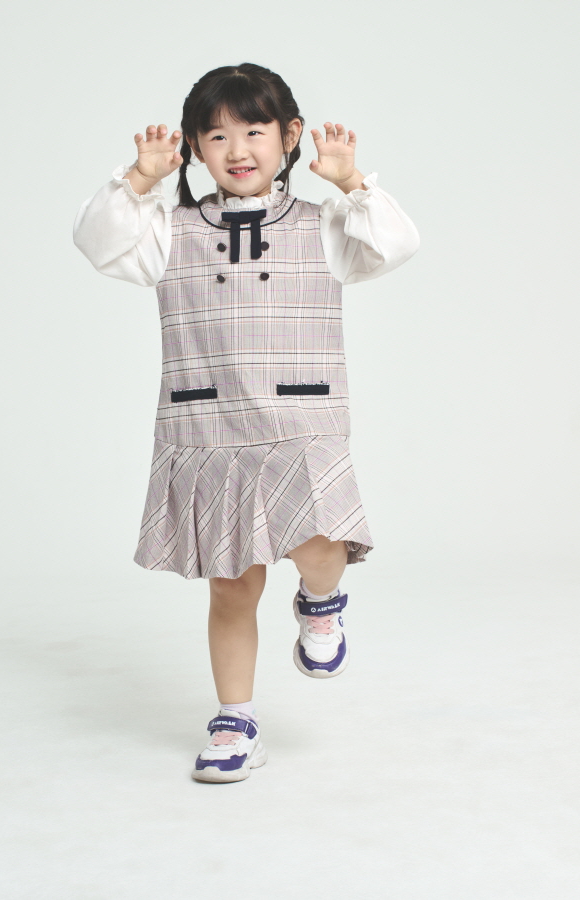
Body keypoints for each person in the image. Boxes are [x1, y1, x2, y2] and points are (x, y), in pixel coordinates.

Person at [73, 62, 420, 783]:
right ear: (194, 148)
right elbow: (98, 241)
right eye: (217, 135)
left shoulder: (324, 225)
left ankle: (322, 601)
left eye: (255, 131)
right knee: (231, 586)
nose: (237, 149)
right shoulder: (169, 230)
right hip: (209, 429)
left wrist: (352, 183)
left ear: (290, 137)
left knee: (321, 542)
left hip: (302, 418)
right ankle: (235, 720)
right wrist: (137, 181)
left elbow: (395, 244)